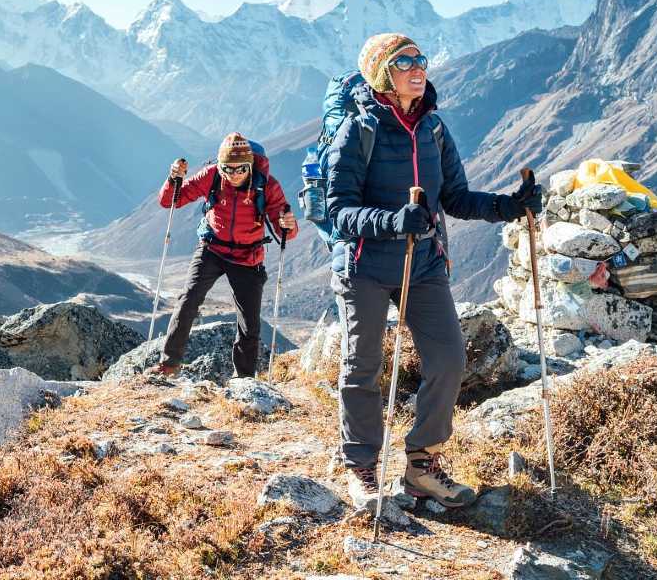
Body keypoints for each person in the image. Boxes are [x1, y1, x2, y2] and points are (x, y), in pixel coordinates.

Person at [326, 32, 541, 509]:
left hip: (422, 262)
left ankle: (422, 465)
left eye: (420, 59)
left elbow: (457, 199)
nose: (418, 68)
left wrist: (510, 206)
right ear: (383, 74)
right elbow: (339, 211)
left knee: (448, 360)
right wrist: (390, 221)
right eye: (404, 62)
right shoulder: (357, 131)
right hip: (364, 265)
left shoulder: (433, 130)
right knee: (362, 367)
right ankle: (361, 466)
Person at [148, 132, 297, 378]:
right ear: (220, 164)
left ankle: (245, 380)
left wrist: (287, 224)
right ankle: (168, 365)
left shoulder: (267, 185)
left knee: (250, 324)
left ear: (250, 164)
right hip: (212, 248)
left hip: (248, 257)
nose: (235, 173)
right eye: (228, 167)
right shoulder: (212, 175)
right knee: (188, 300)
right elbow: (171, 201)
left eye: (241, 168)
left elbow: (285, 231)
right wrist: (173, 179)